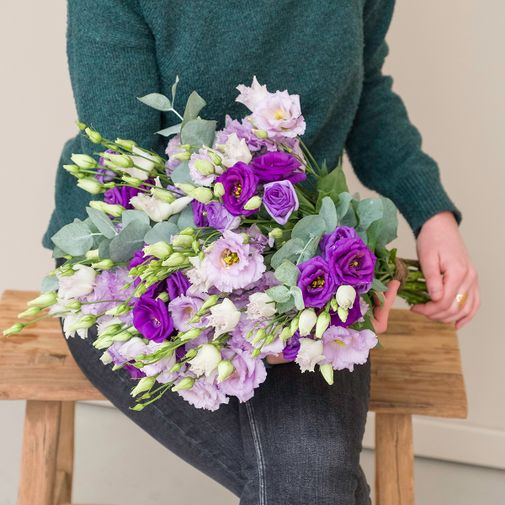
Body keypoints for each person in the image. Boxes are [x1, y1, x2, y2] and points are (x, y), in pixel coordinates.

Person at [43, 1, 479, 503]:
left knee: (311, 478)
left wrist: (433, 218)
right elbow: (127, 172)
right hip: (137, 283)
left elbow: (367, 93)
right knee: (313, 480)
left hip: (310, 274)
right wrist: (248, 325)